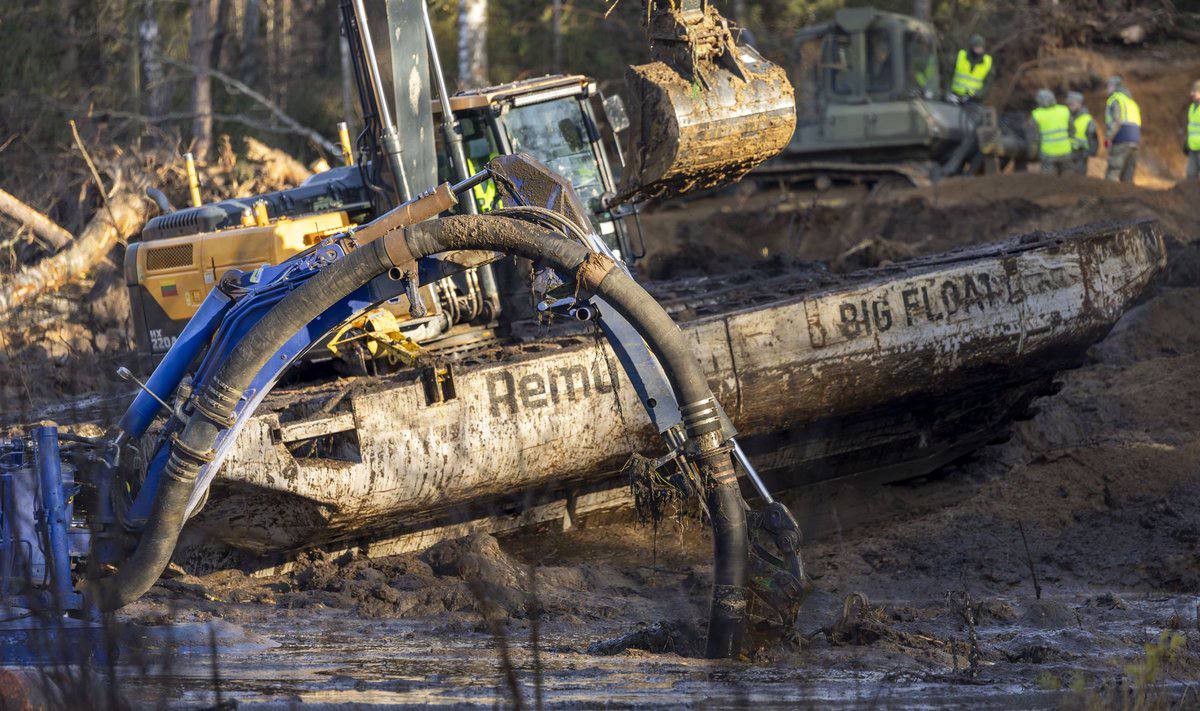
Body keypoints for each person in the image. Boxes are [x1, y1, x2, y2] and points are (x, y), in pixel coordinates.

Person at [1104, 76, 1141, 183]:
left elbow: (1117, 121)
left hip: (1120, 140)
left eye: (1108, 86)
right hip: (1134, 142)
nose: (1107, 89)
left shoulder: (1115, 99)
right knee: (1127, 178)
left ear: (1113, 86)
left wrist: (1108, 138)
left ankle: (1109, 199)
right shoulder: (1131, 102)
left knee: (1113, 174)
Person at [1031, 89, 1073, 175]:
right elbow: (1072, 130)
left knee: (1049, 182)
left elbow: (1034, 137)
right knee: (1068, 179)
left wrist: (1033, 155)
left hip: (1048, 154)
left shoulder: (1036, 114)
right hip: (1066, 152)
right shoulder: (1064, 110)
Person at [950, 34, 992, 101]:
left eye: (980, 47)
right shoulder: (961, 56)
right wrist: (948, 91)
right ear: (971, 47)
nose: (978, 50)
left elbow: (988, 83)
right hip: (955, 95)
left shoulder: (987, 62)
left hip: (973, 99)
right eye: (976, 47)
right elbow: (949, 73)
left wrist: (978, 94)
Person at [1066, 91, 1099, 176]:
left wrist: (1089, 153)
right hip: (1065, 155)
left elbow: (1093, 138)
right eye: (1069, 104)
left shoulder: (1087, 119)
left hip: (1081, 156)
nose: (1070, 106)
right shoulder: (1064, 116)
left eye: (1072, 104)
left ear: (1079, 104)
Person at [1186, 80, 1200, 180]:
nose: (1191, 93)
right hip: (1193, 147)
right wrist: (1187, 141)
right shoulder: (1192, 107)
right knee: (1190, 176)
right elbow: (1191, 127)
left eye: (1194, 91)